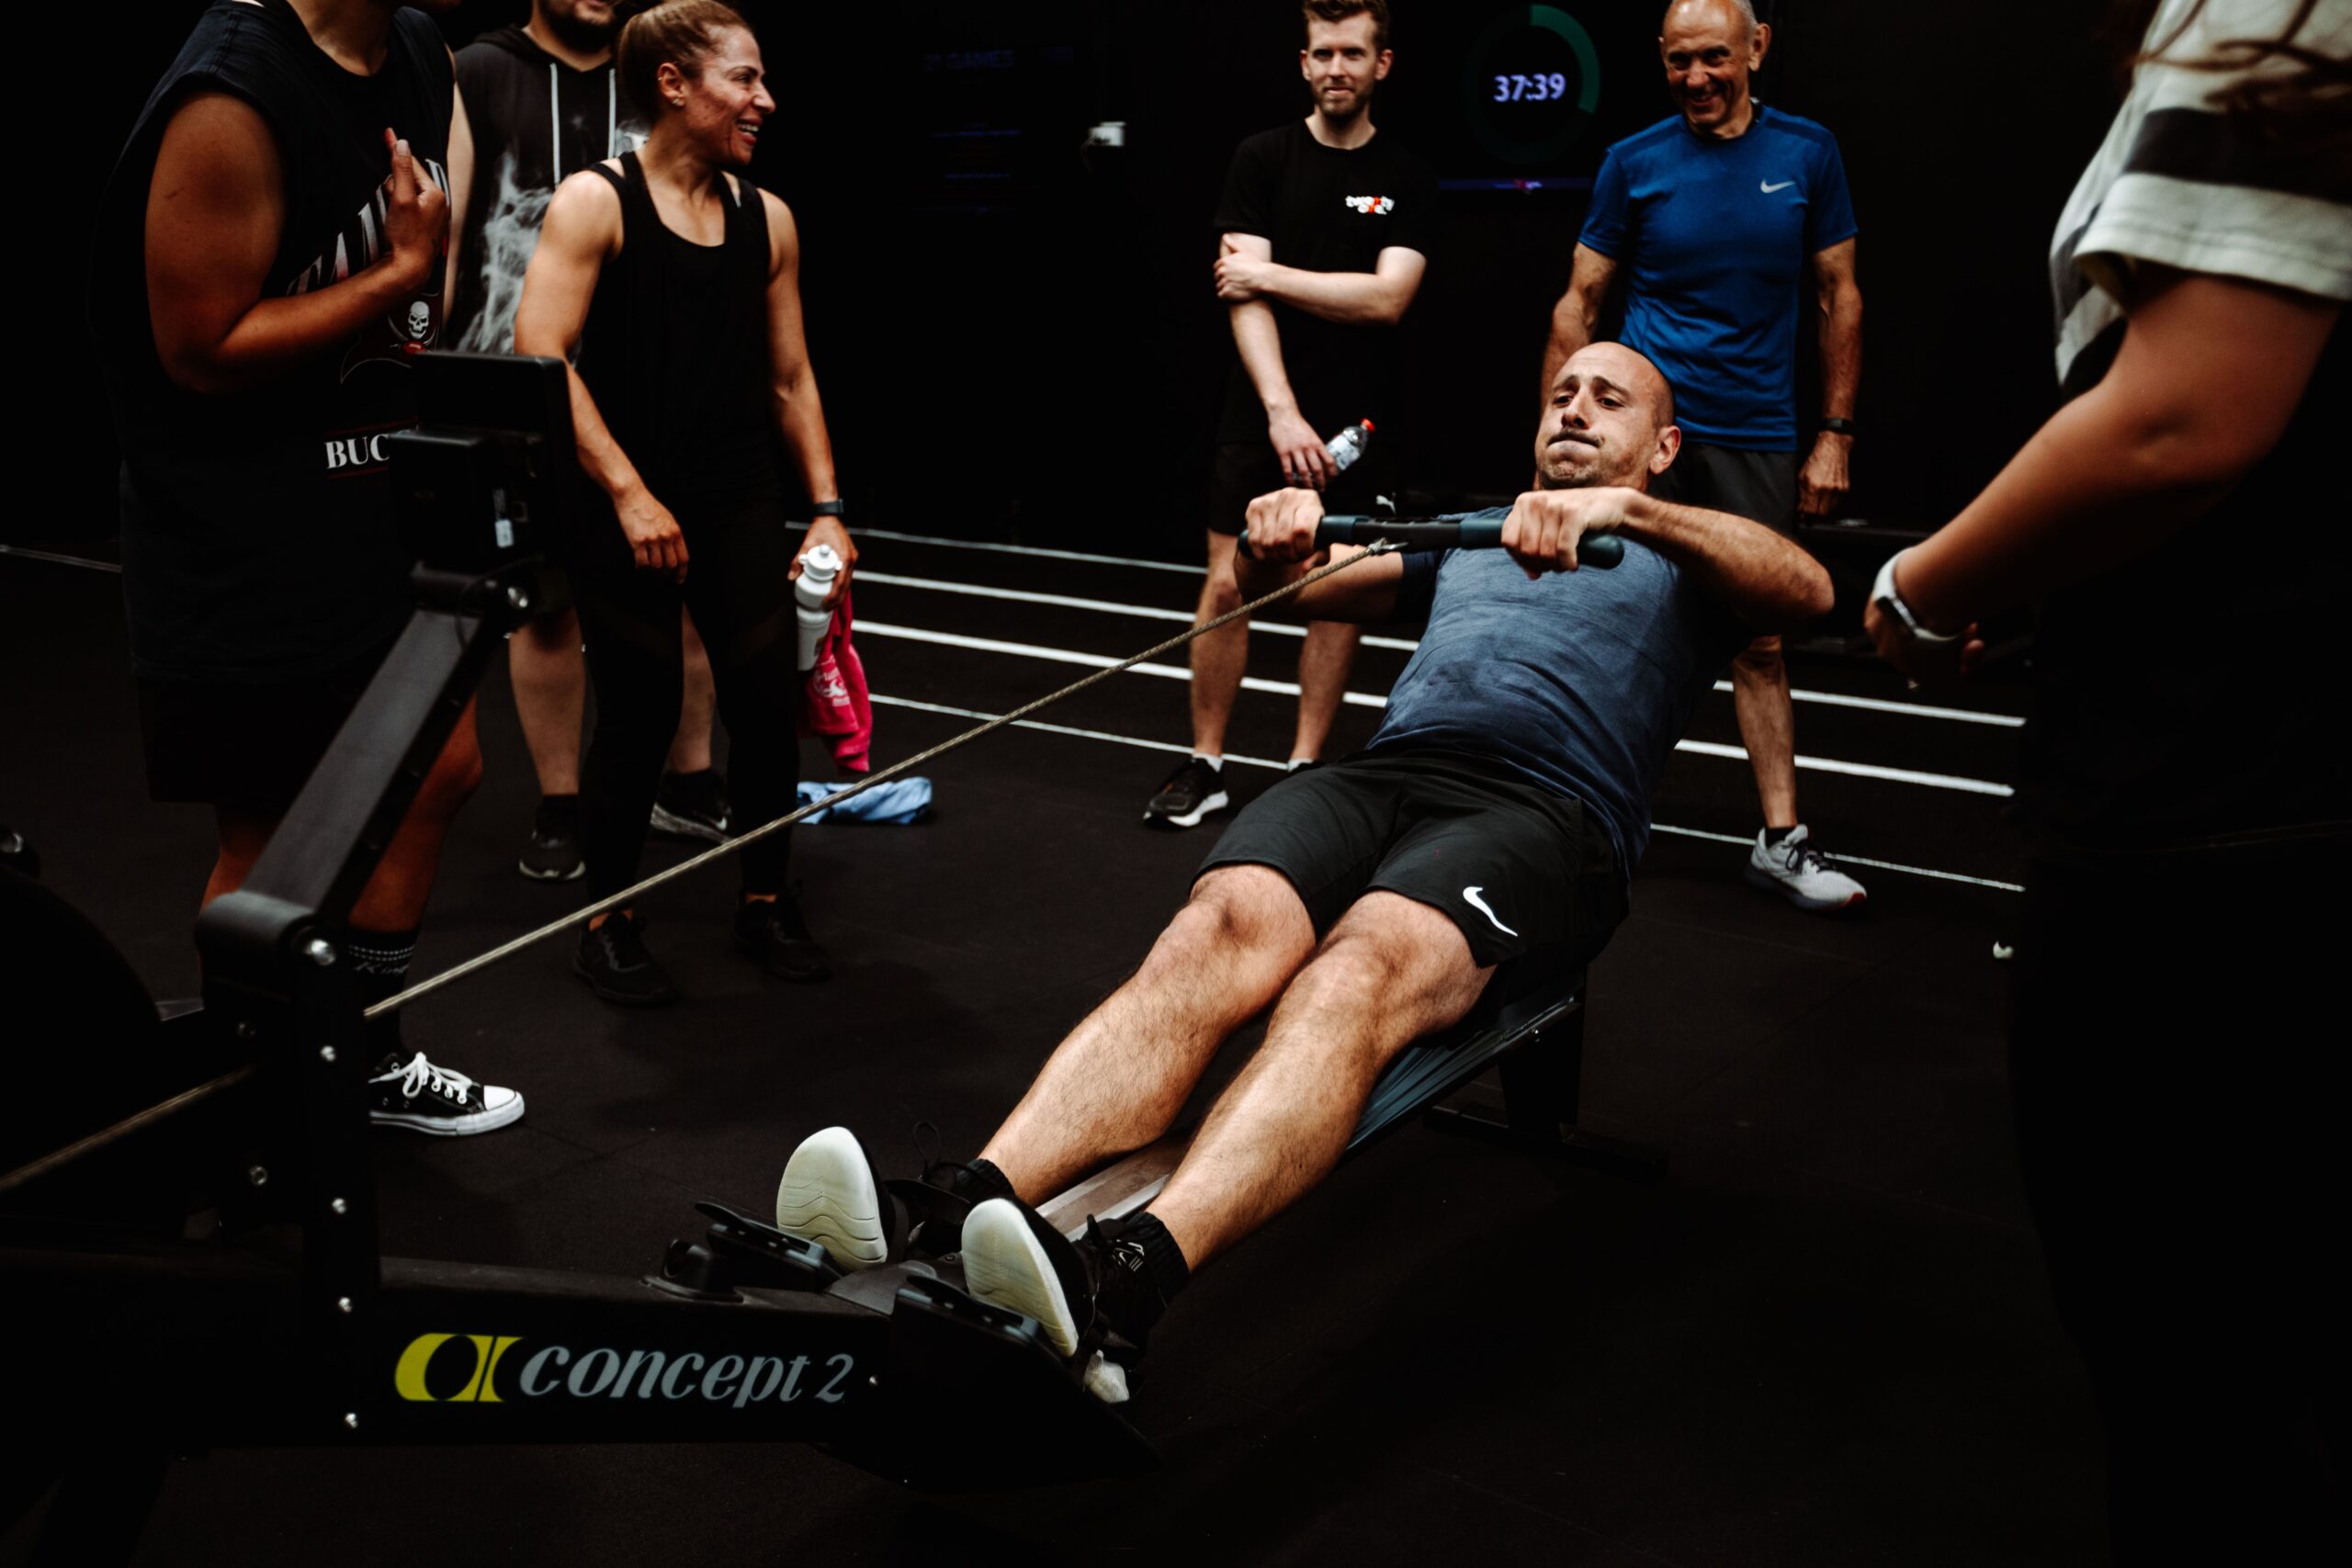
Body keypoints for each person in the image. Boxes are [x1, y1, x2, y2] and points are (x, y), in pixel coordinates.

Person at [770, 343, 1831, 1391]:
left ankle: (1122, 1278)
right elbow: (1302, 590)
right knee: (1214, 930)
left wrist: (1629, 514)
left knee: (1353, 972)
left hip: (1544, 814)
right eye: (1559, 392)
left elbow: (1812, 591)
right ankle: (958, 1203)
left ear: (1662, 445)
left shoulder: (1685, 554)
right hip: (1389, 777)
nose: (1574, 410)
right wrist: (1263, 544)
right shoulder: (1474, 537)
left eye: (1608, 400)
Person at [1863, 1, 2348, 1554]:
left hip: (2224, 790)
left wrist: (1920, 588)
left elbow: (2182, 420)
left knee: (2205, 1379)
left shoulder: (2274, 9)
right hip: (2251, 769)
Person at [91, 0, 520, 1135]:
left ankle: (364, 1058)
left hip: (372, 498)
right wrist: (400, 276)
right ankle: (255, 1102)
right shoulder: (232, 97)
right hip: (237, 528)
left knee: (438, 765)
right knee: (274, 837)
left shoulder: (419, 51)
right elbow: (200, 348)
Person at [514, 0, 854, 1005]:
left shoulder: (768, 218)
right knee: (641, 707)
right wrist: (626, 493)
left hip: (736, 495)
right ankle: (609, 921)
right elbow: (542, 359)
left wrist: (828, 507)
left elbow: (791, 379)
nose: (765, 100)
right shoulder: (594, 202)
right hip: (618, 498)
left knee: (760, 709)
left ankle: (763, 900)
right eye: (744, 79)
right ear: (673, 84)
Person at [1541, 0, 1867, 912]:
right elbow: (1580, 302)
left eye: (1713, 58)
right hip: (1646, 431)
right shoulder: (1633, 162)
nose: (1695, 78)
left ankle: (1780, 840)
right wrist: (1559, 431)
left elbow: (1840, 296)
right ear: (1660, 57)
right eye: (1678, 61)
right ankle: (1555, 815)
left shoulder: (1806, 153)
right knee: (1597, 612)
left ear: (1757, 49)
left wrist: (1832, 437)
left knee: (1758, 640)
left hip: (1755, 429)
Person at [447, 0, 729, 883]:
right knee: (547, 603)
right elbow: (453, 225)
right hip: (517, 373)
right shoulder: (478, 70)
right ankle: (561, 803)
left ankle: (685, 783)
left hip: (647, 379)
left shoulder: (657, 71)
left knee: (684, 583)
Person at [1142, 0, 1436, 829]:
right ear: (1302, 63)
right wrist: (1281, 413)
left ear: (1382, 65)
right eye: (1321, 53)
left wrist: (1269, 275)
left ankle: (1305, 765)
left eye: (1352, 52)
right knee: (1226, 585)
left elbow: (1388, 299)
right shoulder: (1261, 159)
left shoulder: (1406, 175)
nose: (1335, 67)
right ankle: (1206, 762)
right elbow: (1242, 307)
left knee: (1337, 590)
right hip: (1263, 413)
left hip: (1362, 422)